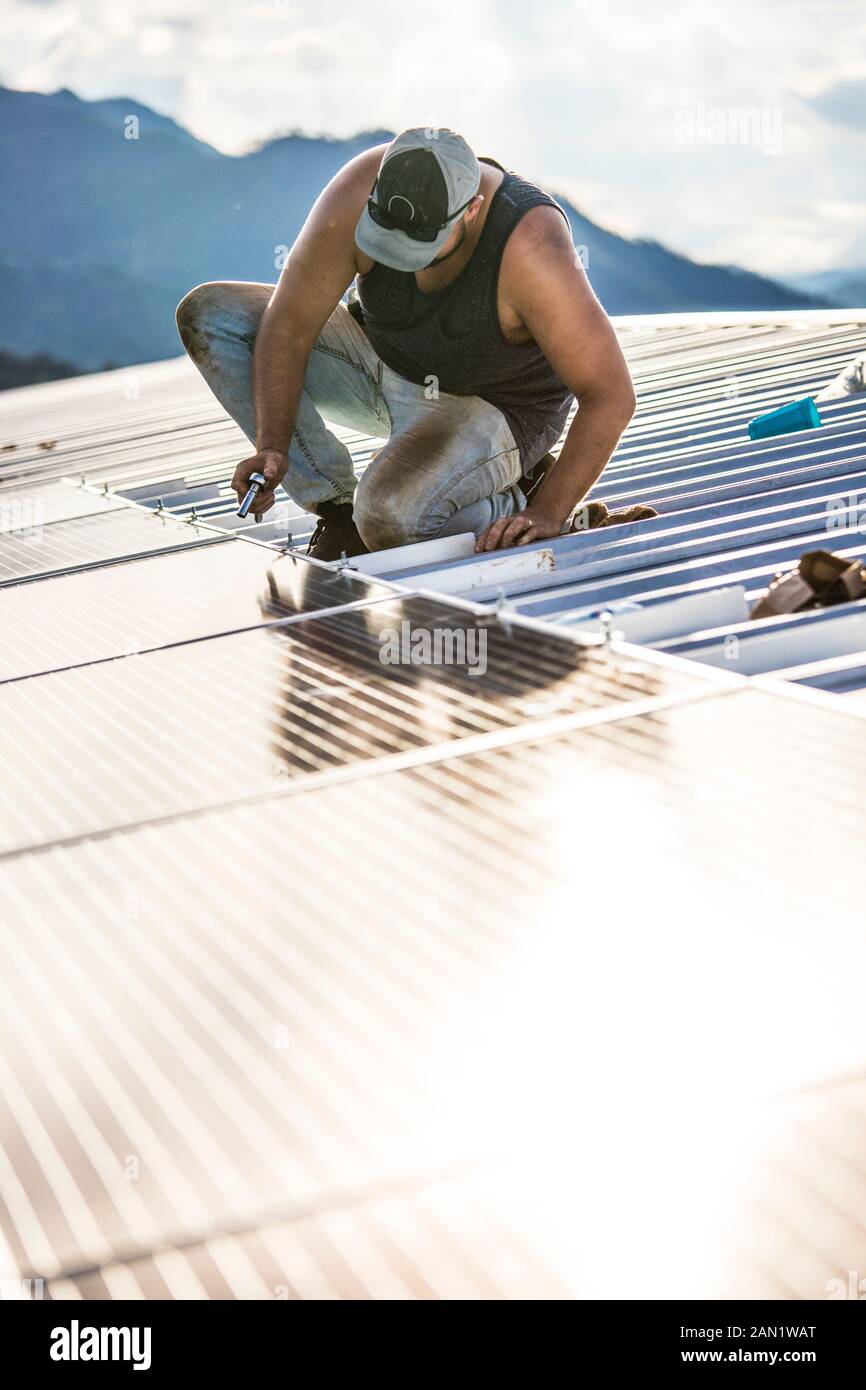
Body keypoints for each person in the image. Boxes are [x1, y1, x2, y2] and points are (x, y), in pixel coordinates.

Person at [176, 127, 637, 561]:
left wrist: (549, 513)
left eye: (418, 245)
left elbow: (611, 396)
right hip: (381, 363)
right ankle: (338, 515)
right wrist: (273, 443)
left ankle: (522, 492)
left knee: (390, 517)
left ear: (471, 210)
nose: (401, 258)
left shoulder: (532, 246)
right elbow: (289, 324)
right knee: (212, 316)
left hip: (489, 408)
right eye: (385, 240)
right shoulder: (359, 187)